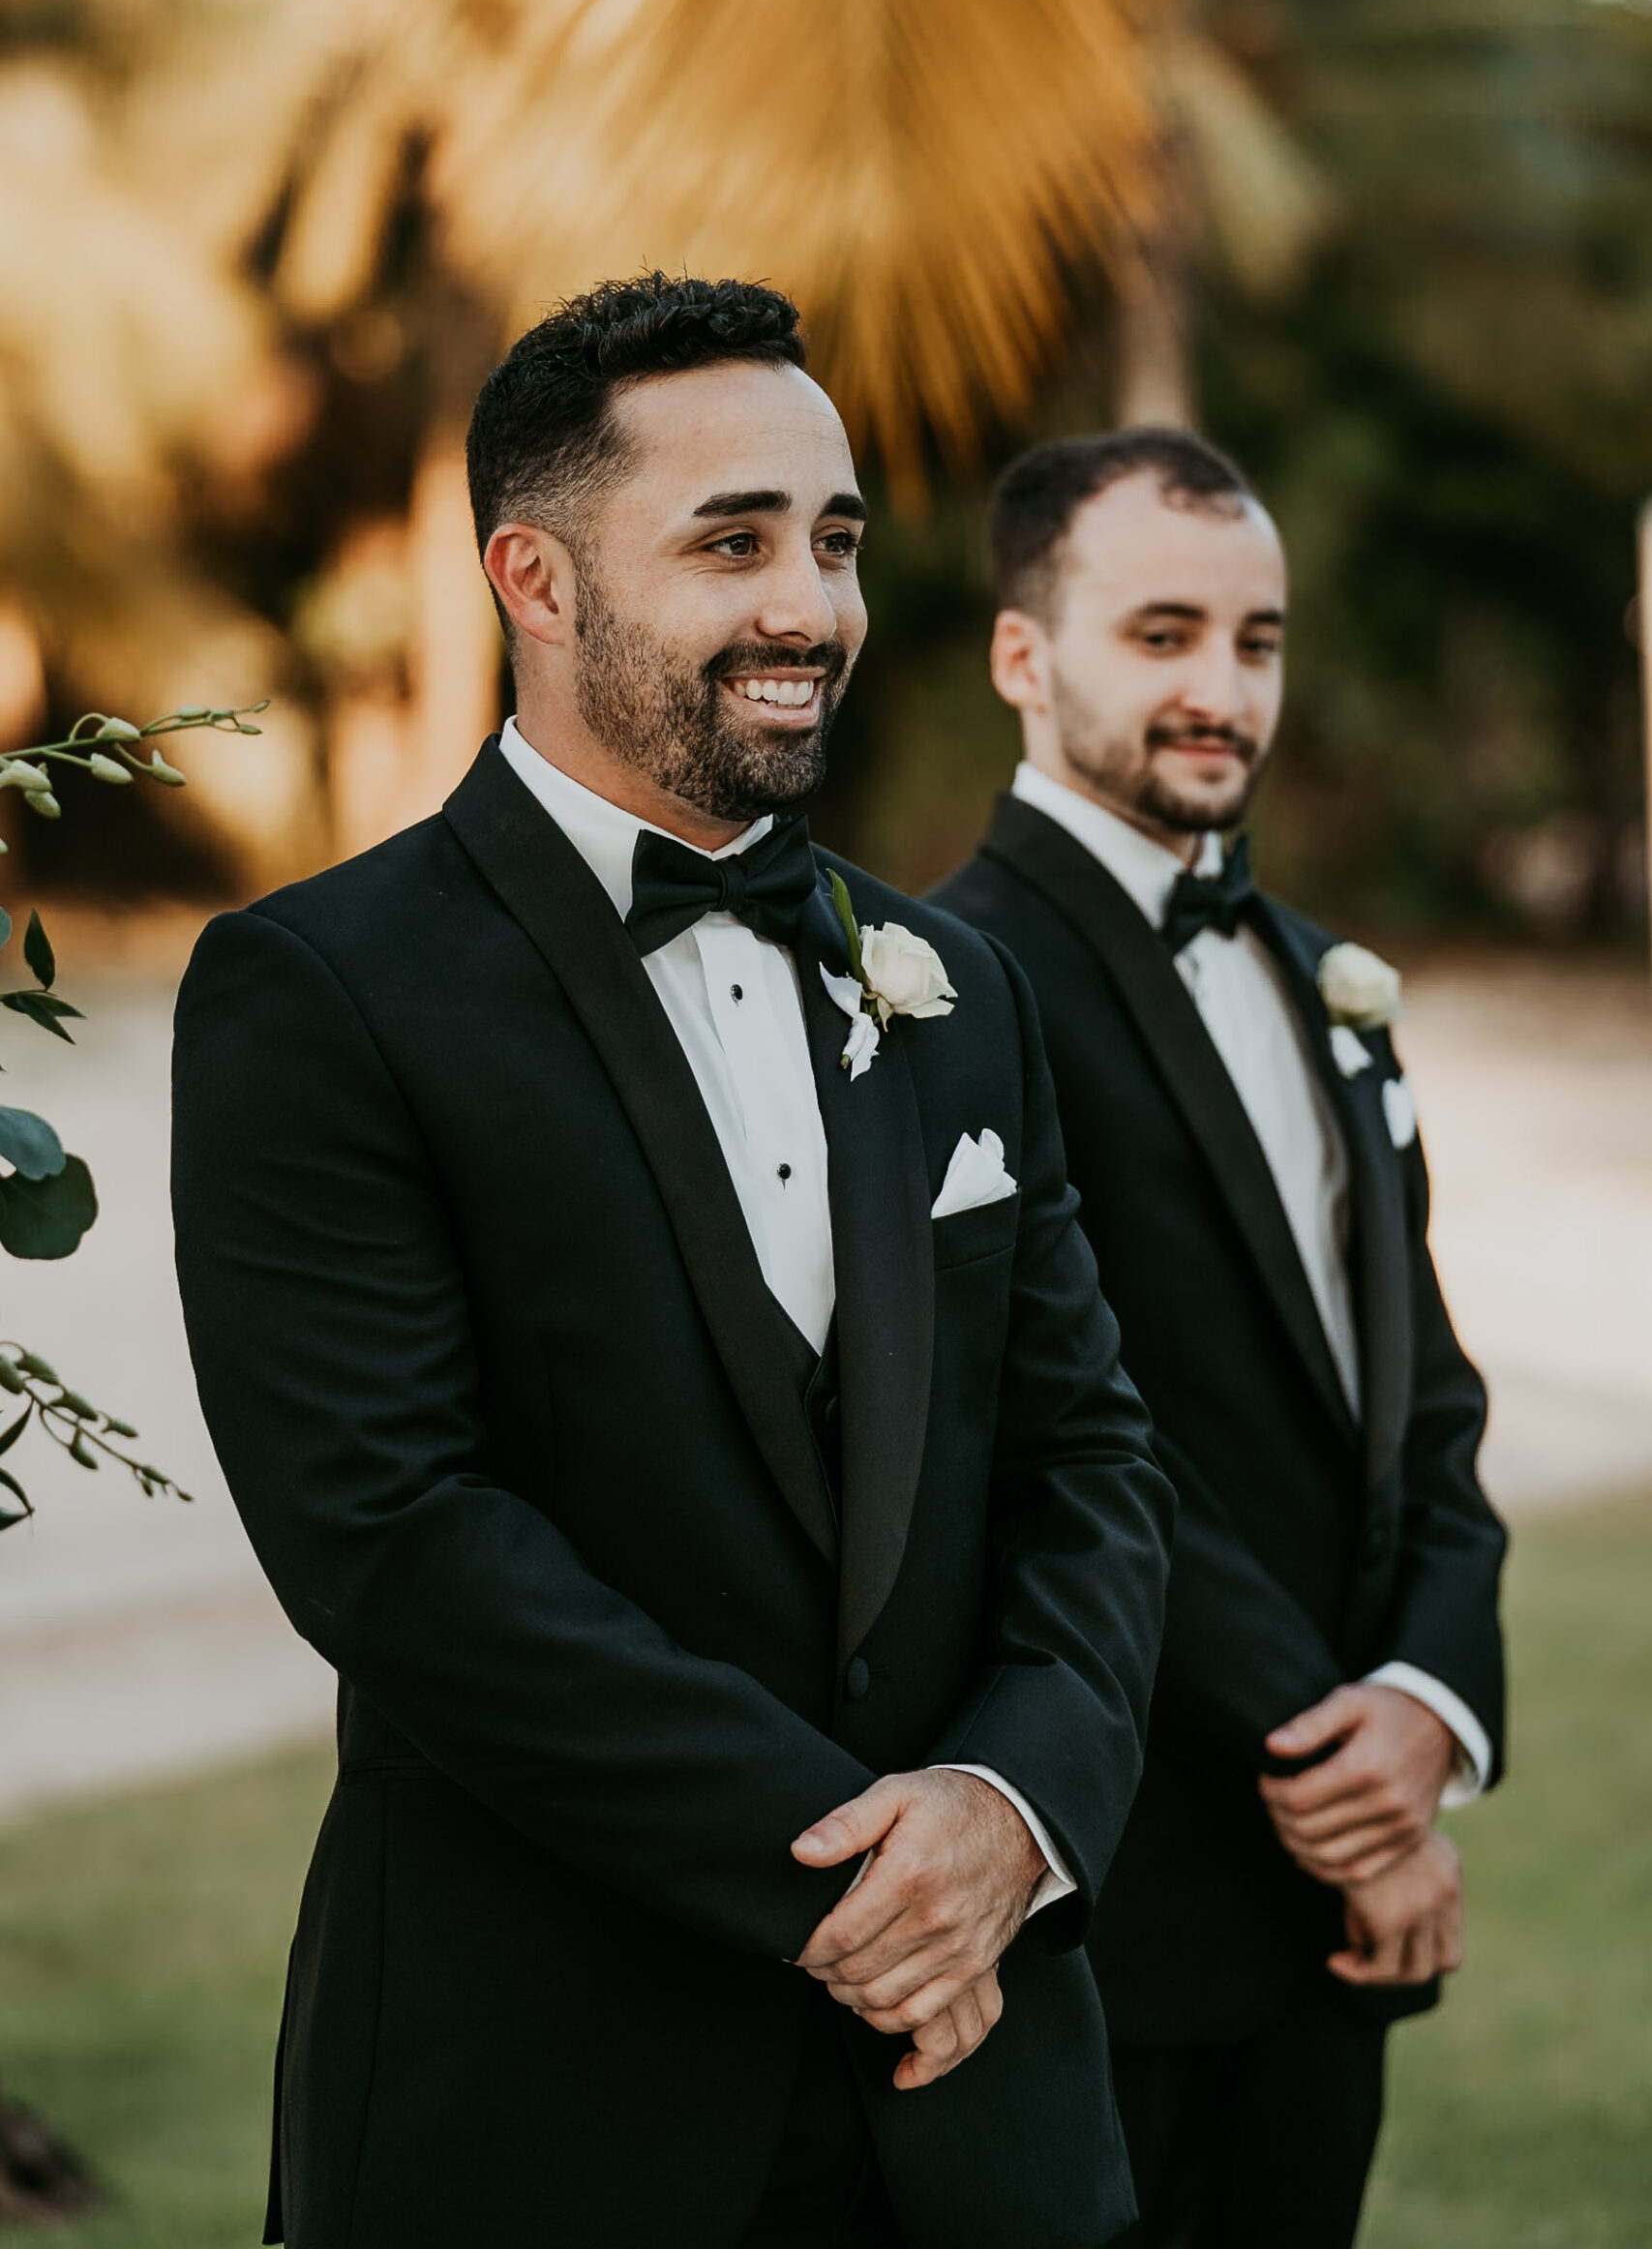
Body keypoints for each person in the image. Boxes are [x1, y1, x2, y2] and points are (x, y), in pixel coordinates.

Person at [170, 278, 1175, 2249]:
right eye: (729, 540)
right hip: (540, 2097)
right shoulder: (318, 993)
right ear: (531, 579)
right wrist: (859, 1888)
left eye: (831, 537)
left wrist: (1011, 1810)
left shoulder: (958, 985)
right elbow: (393, 1536)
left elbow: (1090, 1455)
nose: (807, 605)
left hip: (979, 2104)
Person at [932, 428, 1507, 2249]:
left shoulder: (1332, 984)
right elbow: (1066, 1439)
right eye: (1163, 632)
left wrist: (1432, 1705)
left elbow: (1420, 1396)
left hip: (1332, 1911)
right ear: (1026, 658)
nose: (1220, 688)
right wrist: (1345, 1778)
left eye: (1255, 642)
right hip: (1127, 1882)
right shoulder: (948, 987)